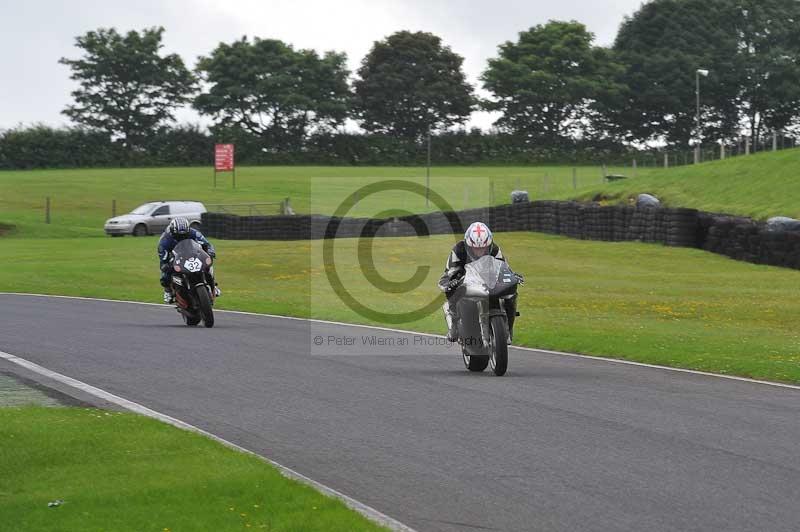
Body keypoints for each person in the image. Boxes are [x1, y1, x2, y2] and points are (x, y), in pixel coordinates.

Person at [437, 221, 520, 343]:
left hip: (487, 280)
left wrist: (512, 276)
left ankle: (508, 328)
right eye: (476, 249)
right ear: (468, 245)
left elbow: (504, 268)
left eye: (484, 248)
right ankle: (454, 325)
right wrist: (452, 282)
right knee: (451, 289)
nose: (480, 252)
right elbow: (450, 272)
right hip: (464, 279)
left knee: (510, 291)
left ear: (489, 245)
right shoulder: (458, 250)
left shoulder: (495, 249)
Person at [158, 217, 219, 303]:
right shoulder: (165, 240)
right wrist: (166, 264)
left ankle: (213, 285)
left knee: (207, 264)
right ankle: (168, 291)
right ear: (173, 232)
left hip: (192, 253)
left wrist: (210, 251)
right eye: (179, 236)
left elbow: (207, 244)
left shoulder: (193, 232)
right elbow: (163, 257)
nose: (182, 237)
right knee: (165, 274)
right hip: (175, 256)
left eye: (184, 235)